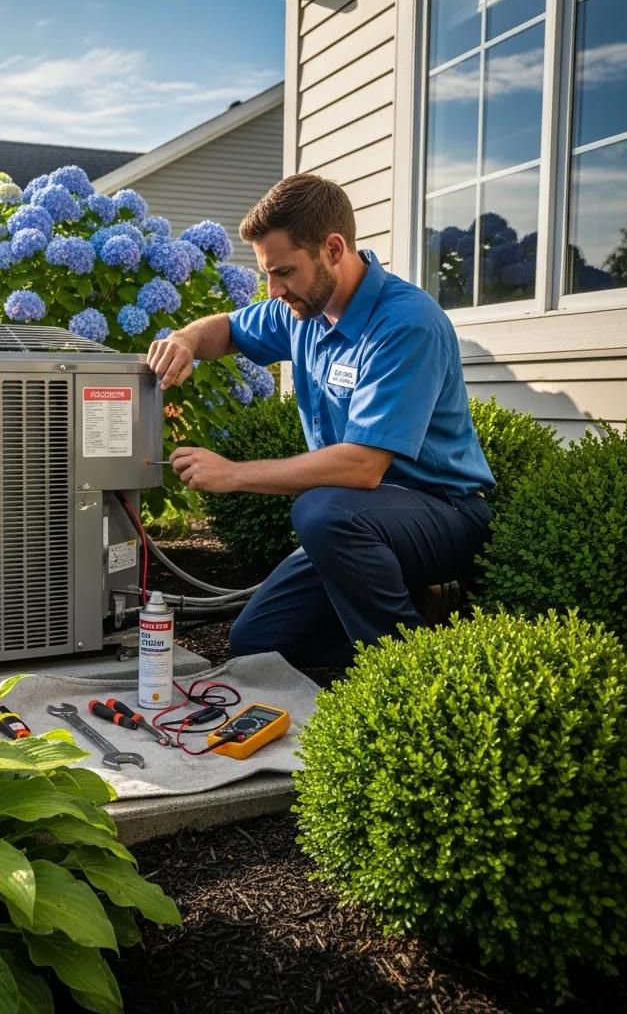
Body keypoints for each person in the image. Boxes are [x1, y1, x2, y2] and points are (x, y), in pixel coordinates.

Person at [146, 174, 495, 668]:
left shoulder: (405, 324)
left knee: (321, 511)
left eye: (284, 271)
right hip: (356, 523)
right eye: (268, 273)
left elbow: (362, 468)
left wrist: (233, 474)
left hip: (442, 514)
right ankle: (381, 643)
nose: (274, 289)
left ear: (333, 248)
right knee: (258, 644)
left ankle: (409, 671)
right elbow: (224, 329)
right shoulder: (301, 312)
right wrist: (183, 338)